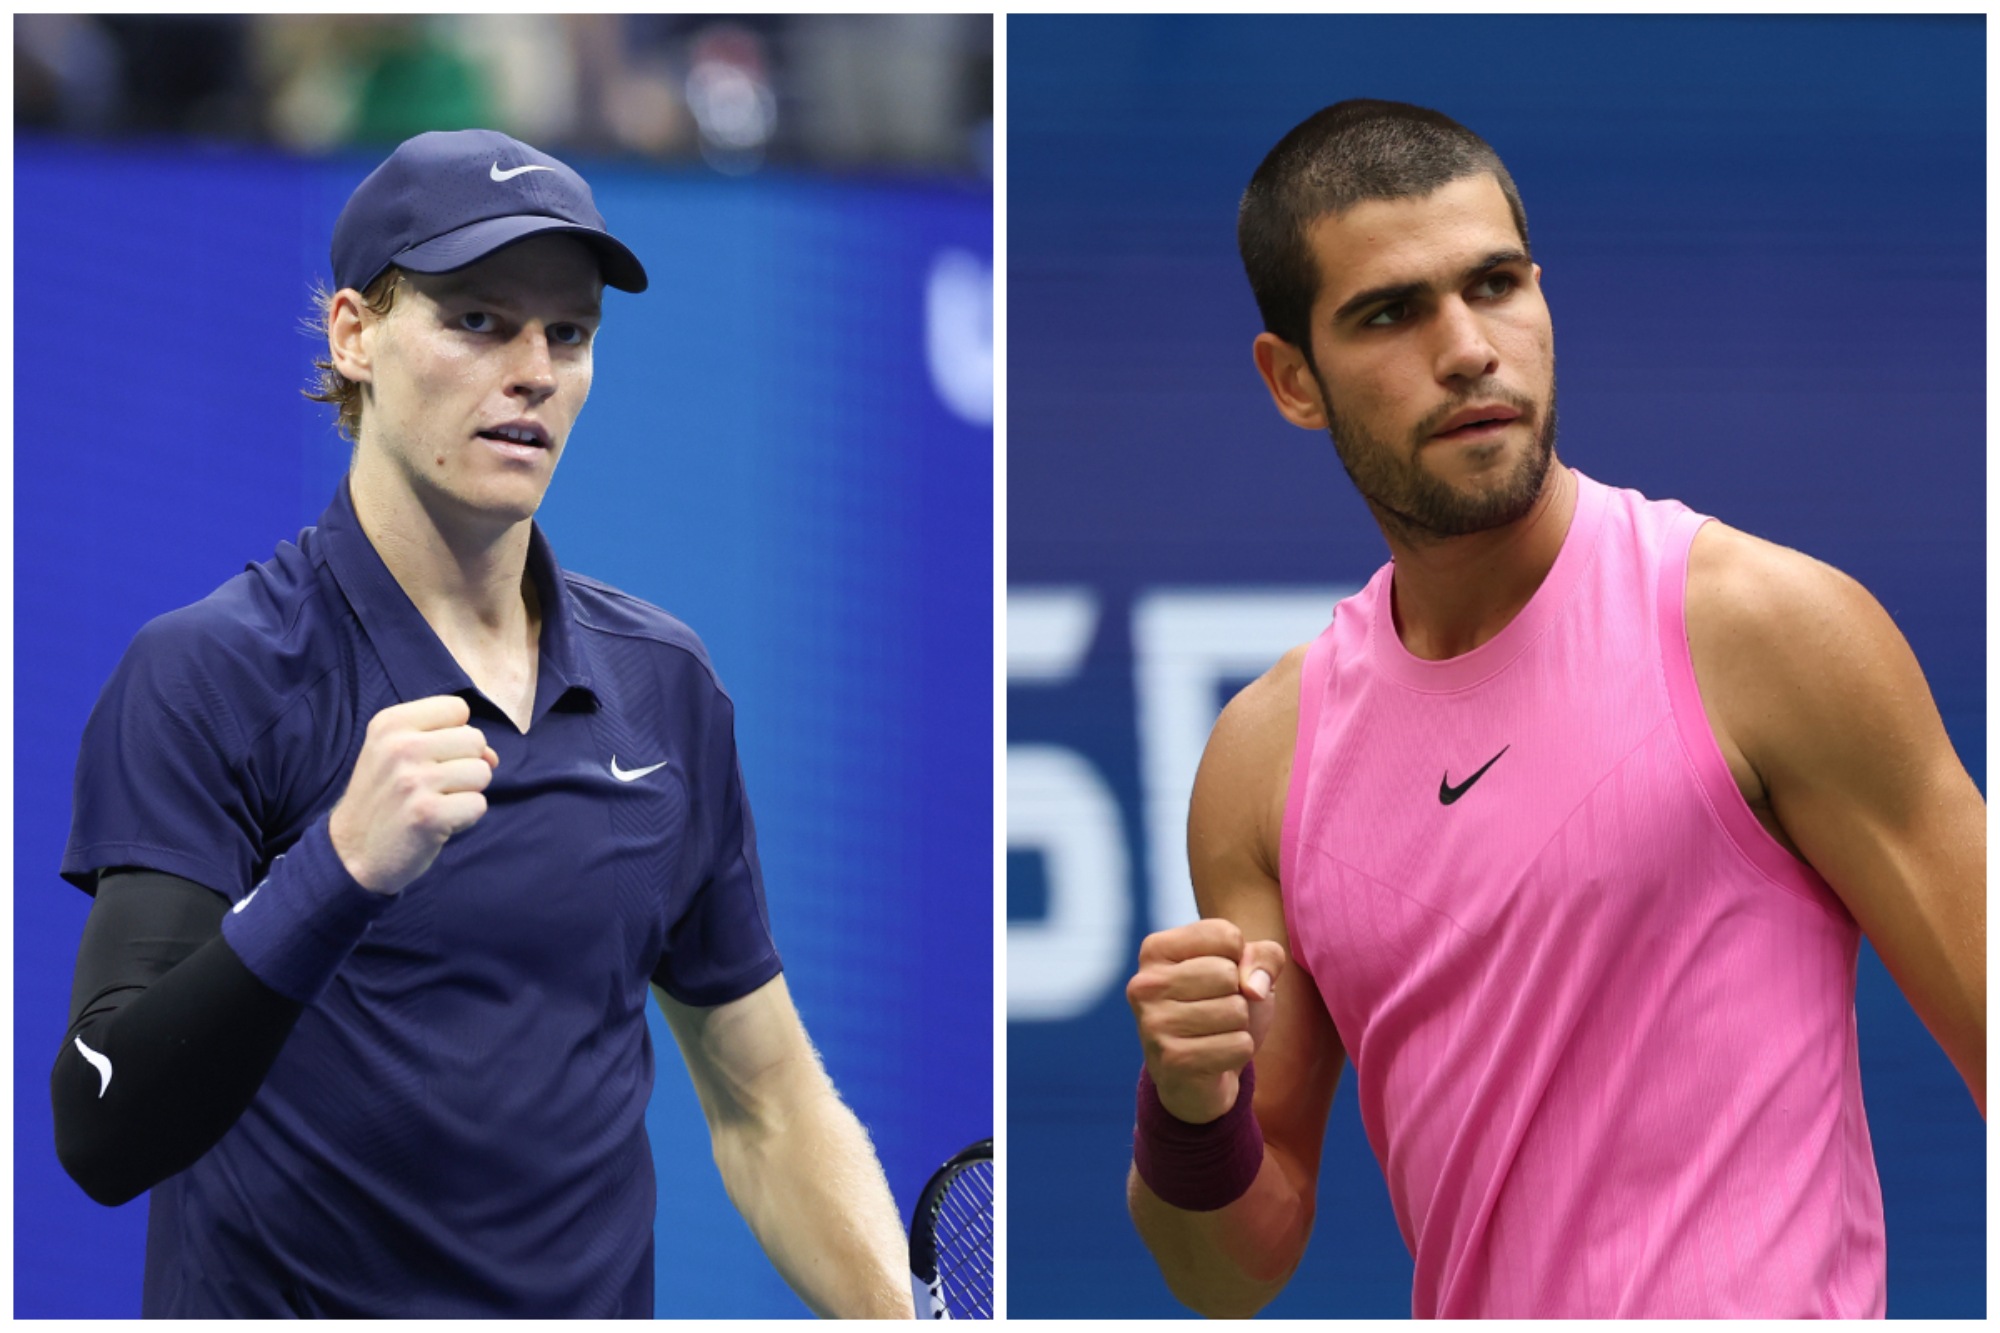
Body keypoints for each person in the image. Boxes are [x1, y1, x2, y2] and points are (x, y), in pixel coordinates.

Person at [1124, 100, 1984, 1319]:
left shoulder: (1768, 631)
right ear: (1292, 380)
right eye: (1389, 312)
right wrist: (1185, 1104)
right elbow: (1226, 1269)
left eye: (1494, 285)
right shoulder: (1261, 760)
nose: (1467, 348)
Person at [52, 128, 914, 1319]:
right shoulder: (209, 673)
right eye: (476, 321)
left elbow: (767, 1105)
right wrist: (335, 872)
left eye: (567, 334)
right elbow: (101, 1129)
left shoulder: (663, 686)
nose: (533, 372)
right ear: (353, 334)